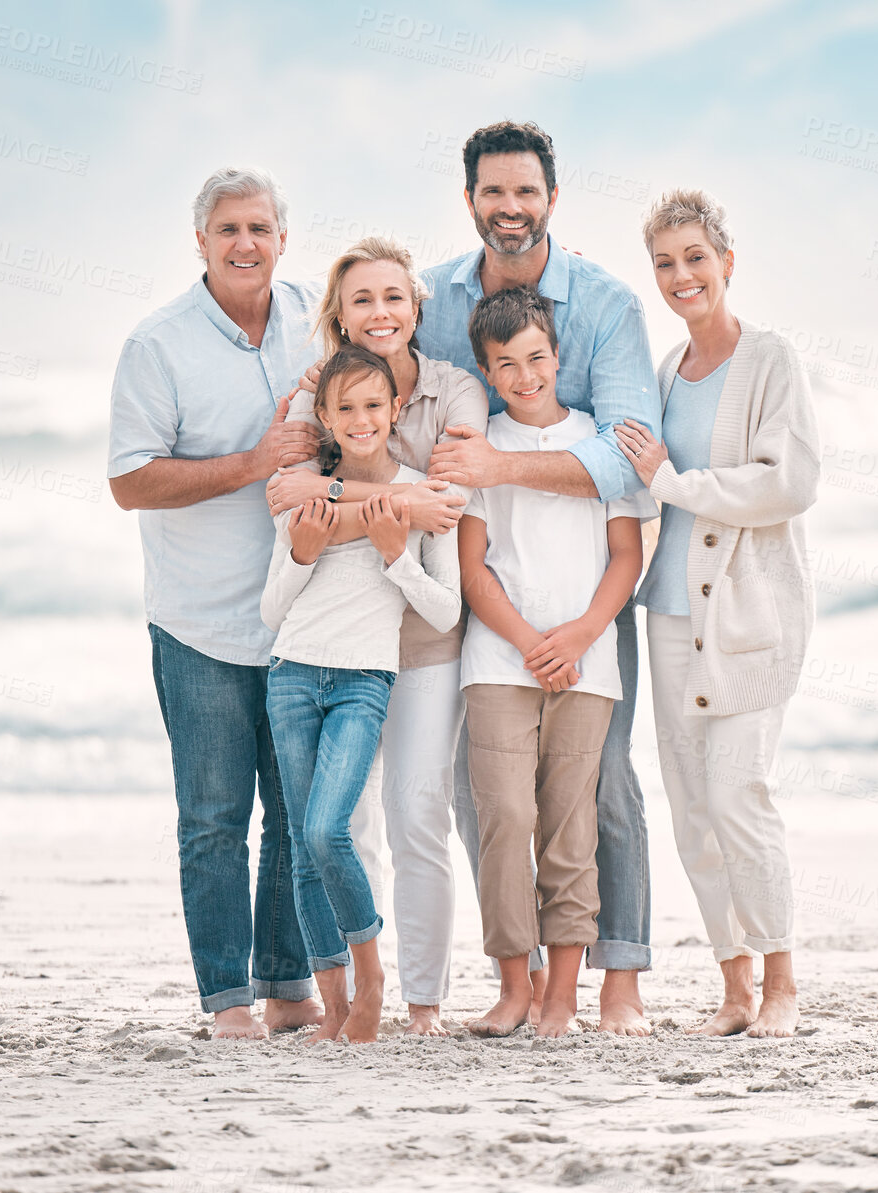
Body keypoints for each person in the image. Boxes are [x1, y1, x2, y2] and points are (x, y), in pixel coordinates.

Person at [419, 120, 663, 1035]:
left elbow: (627, 460)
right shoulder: (439, 298)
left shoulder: (604, 304)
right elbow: (396, 393)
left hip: (588, 602)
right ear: (471, 199)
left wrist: (499, 468)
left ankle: (620, 978)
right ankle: (515, 982)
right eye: (493, 193)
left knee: (599, 787)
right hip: (481, 593)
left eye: (526, 193)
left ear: (552, 198)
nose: (510, 209)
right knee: (484, 795)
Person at [107, 167, 323, 1040]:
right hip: (198, 621)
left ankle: (287, 987)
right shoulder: (157, 345)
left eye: (260, 228)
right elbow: (129, 481)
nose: (246, 244)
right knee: (212, 819)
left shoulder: (318, 317)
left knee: (297, 817)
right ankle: (227, 1001)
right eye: (228, 229)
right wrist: (252, 462)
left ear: (283, 238)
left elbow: (406, 321)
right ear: (200, 241)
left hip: (302, 611)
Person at [265, 237, 487, 1037]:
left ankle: (422, 1001)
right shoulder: (313, 394)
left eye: (394, 297)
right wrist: (379, 504)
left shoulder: (455, 390)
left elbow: (444, 503)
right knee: (338, 828)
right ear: (340, 314)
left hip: (419, 641)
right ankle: (361, 995)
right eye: (362, 299)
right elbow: (289, 492)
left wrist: (333, 491)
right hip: (331, 640)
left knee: (415, 814)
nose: (380, 312)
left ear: (416, 307)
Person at [615, 189, 820, 1038]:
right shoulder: (666, 370)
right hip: (666, 613)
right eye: (664, 263)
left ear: (726, 262)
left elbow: (788, 483)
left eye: (695, 258)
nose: (681, 276)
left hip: (747, 616)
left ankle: (781, 984)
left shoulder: (769, 360)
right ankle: (733, 987)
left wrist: (676, 482)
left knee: (740, 792)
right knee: (692, 804)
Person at [456, 287, 650, 1037]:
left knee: (570, 830)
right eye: (506, 364)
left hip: (587, 662)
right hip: (497, 661)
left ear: (558, 357)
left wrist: (575, 636)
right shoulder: (479, 448)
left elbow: (626, 556)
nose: (525, 375)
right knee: (504, 817)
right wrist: (526, 639)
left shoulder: (602, 444)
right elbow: (474, 568)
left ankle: (563, 996)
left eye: (536, 357)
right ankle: (514, 986)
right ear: (486, 370)